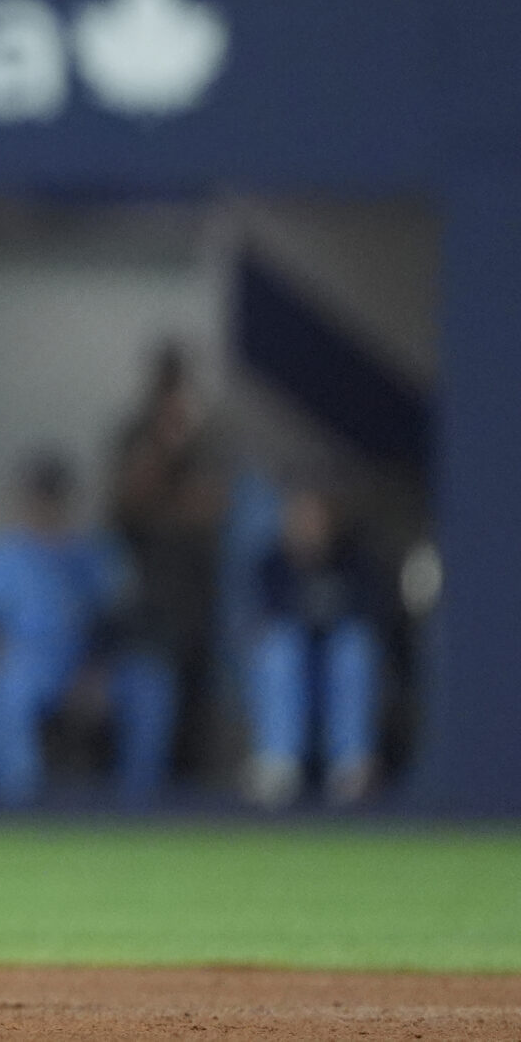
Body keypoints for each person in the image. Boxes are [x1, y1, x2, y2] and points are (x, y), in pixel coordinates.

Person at [0, 453, 128, 806]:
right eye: (37, 497)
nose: (43, 508)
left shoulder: (91, 553)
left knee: (148, 690)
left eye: (52, 498)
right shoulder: (3, 555)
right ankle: (21, 804)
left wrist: (94, 673)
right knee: (10, 690)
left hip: (84, 664)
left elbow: (114, 621)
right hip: (23, 663)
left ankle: (138, 808)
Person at [104, 342, 224, 804]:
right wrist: (163, 449)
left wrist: (172, 500)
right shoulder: (135, 435)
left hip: (204, 595)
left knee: (198, 718)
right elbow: (126, 506)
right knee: (150, 705)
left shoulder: (209, 440)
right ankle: (139, 809)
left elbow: (212, 510)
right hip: (149, 600)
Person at [245, 484, 387, 808]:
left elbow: (370, 617)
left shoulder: (354, 562)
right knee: (278, 649)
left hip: (334, 663)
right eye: (299, 518)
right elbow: (265, 620)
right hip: (294, 664)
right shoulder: (273, 564)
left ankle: (351, 765)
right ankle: (278, 764)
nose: (306, 525)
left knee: (354, 648)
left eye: (313, 518)